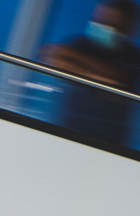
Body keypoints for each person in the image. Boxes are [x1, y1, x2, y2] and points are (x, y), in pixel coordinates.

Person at [43, 0, 140, 148]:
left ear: (127, 28)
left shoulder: (132, 56)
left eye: (112, 24)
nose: (104, 27)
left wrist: (77, 63)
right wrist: (98, 76)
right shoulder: (80, 43)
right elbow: (55, 57)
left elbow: (120, 84)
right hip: (67, 130)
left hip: (108, 141)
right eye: (101, 21)